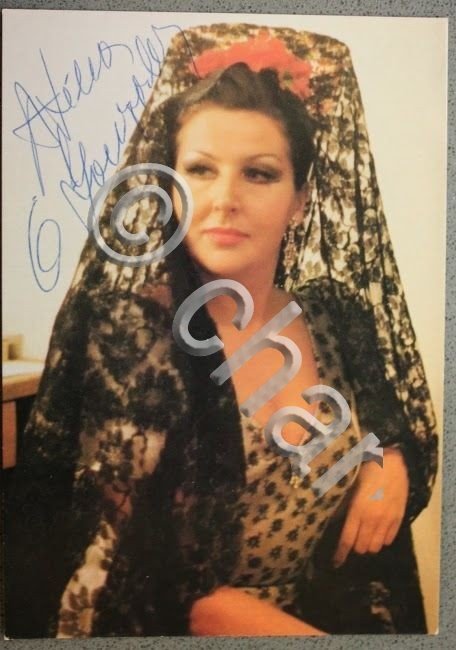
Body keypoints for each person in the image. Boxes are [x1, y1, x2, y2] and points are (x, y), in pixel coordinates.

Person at [4, 24, 438, 638]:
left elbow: (399, 425)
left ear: (300, 199)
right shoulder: (130, 336)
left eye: (259, 173)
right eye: (200, 170)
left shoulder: (336, 317)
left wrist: (388, 458)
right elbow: (133, 573)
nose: (224, 198)